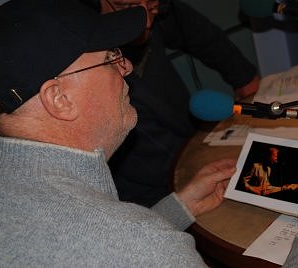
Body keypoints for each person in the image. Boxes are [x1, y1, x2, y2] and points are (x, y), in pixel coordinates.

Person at [0, 0, 298, 267]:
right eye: (110, 59)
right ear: (59, 99)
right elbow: (126, 250)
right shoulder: (143, 248)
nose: (125, 69)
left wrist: (177, 207)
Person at [80, 0, 261, 207]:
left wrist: (243, 75)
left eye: (152, 6)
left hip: (186, 148)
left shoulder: (151, 9)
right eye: (128, 9)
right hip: (146, 191)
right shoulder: (81, 50)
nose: (147, 22)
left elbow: (195, 30)